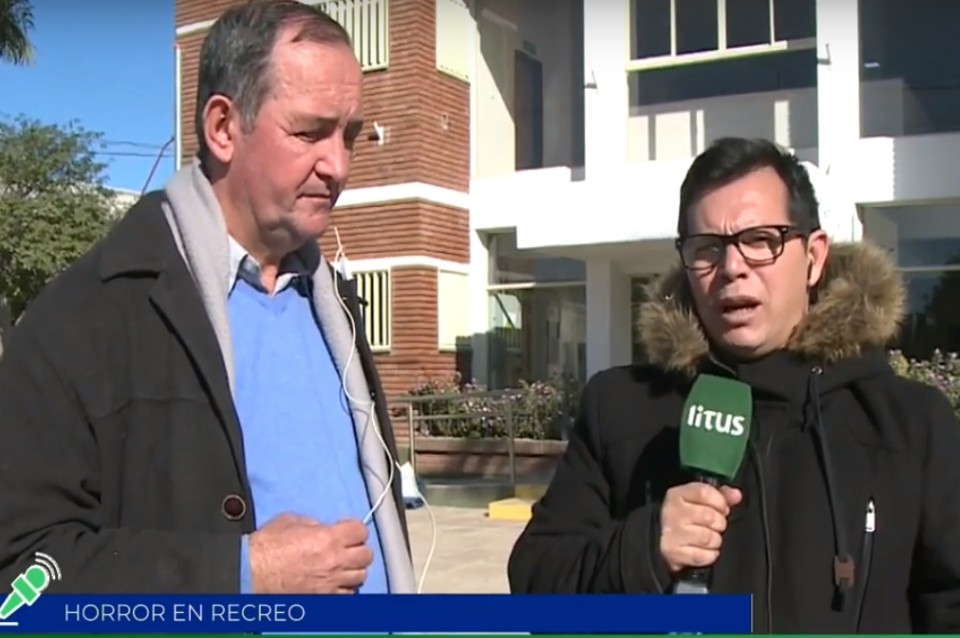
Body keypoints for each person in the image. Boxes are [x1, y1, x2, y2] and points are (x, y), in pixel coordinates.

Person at [0, 0, 416, 595]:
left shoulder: (335, 307)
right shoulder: (86, 319)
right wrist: (242, 573)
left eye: (349, 136)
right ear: (223, 128)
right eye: (309, 132)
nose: (338, 165)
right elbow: (19, 579)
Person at [507, 137, 960, 633]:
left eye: (761, 240)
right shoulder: (620, 408)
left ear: (813, 257)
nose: (732, 268)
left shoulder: (910, 424)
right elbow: (537, 585)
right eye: (707, 249)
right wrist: (642, 548)